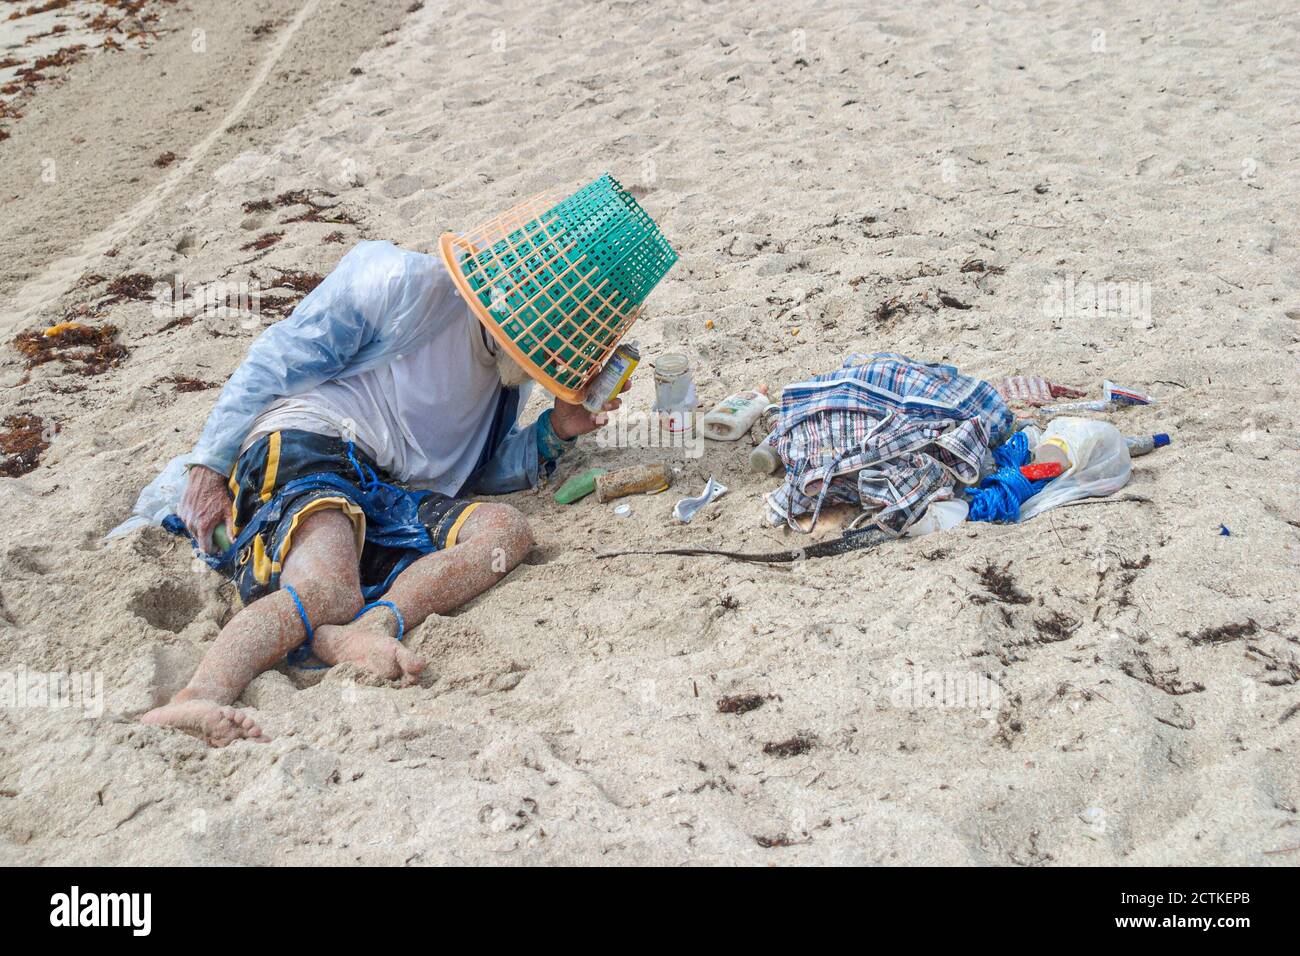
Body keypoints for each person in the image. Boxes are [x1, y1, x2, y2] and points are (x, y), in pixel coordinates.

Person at [141, 239, 625, 746]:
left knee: (505, 530)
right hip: (310, 440)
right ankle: (200, 695)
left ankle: (370, 626)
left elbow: (471, 470)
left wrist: (555, 430)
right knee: (328, 588)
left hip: (384, 489)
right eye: (553, 338)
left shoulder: (511, 379)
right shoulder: (406, 288)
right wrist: (210, 467)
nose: (554, 357)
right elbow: (274, 360)